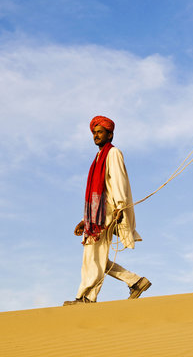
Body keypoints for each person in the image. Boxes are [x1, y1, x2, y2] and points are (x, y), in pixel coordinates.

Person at [63, 116, 151, 305]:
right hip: (98, 214)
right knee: (95, 255)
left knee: (92, 255)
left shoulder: (113, 153)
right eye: (94, 132)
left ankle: (86, 297)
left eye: (100, 132)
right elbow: (99, 190)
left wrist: (120, 206)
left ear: (110, 134)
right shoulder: (98, 158)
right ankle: (135, 281)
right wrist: (85, 220)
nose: (96, 135)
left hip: (109, 210)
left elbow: (118, 181)